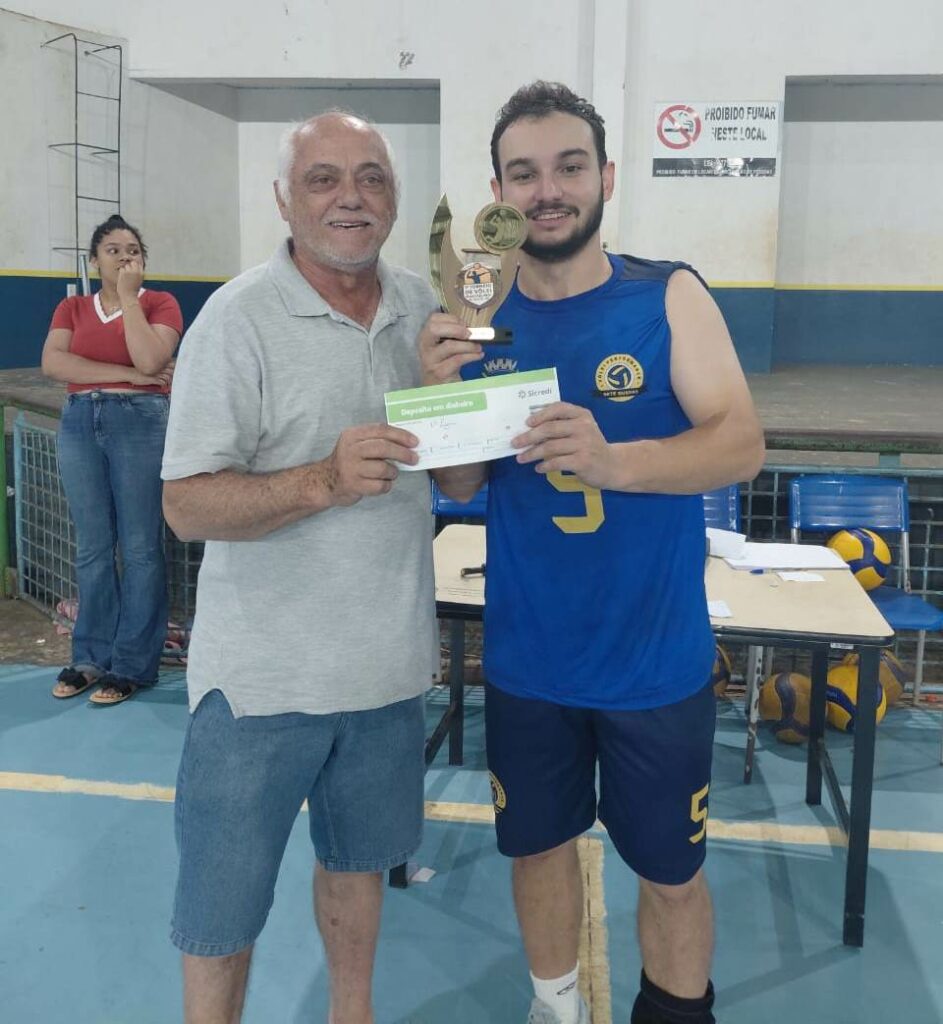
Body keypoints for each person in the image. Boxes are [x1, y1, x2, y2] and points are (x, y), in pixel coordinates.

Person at [419, 82, 766, 1024]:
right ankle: (555, 1003)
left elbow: (740, 442)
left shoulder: (666, 296)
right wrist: (437, 397)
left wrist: (616, 460)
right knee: (535, 851)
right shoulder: (481, 325)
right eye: (523, 173)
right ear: (498, 194)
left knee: (669, 872)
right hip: (531, 657)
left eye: (568, 166)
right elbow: (457, 493)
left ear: (604, 176)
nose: (548, 190)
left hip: (653, 664)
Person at [160, 112, 439, 1024]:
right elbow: (186, 503)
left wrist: (467, 402)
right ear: (284, 197)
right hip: (259, 688)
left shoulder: (427, 311)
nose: (349, 197)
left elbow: (463, 470)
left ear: (394, 197)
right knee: (219, 915)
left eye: (370, 177)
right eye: (323, 179)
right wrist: (321, 479)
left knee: (358, 876)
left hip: (386, 675)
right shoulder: (236, 318)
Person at [41, 214, 181, 705]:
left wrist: (128, 301)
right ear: (93, 259)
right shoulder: (72, 307)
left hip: (140, 423)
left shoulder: (160, 303)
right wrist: (123, 374)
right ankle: (90, 657)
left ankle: (133, 665)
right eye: (113, 250)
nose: (124, 257)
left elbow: (150, 360)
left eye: (133, 251)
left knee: (141, 547)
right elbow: (55, 363)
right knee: (93, 547)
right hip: (81, 420)